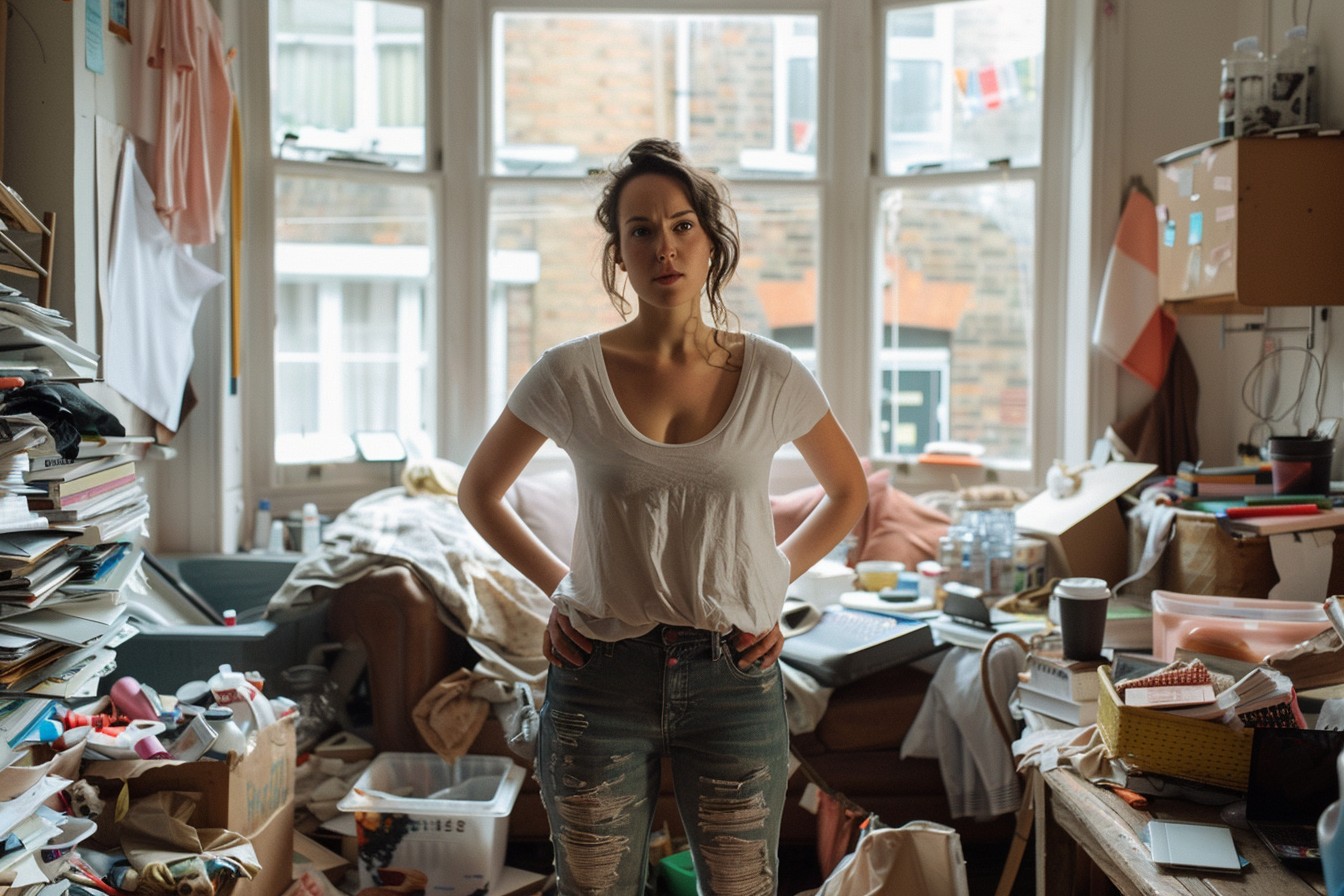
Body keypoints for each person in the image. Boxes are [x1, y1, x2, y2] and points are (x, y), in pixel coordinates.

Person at [458, 137, 867, 895]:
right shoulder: (570, 372)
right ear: (619, 253)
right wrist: (560, 588)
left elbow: (847, 492)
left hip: (734, 676)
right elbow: (478, 492)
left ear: (711, 242)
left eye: (682, 225)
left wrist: (772, 587)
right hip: (599, 675)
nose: (664, 246)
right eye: (641, 230)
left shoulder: (772, 372)